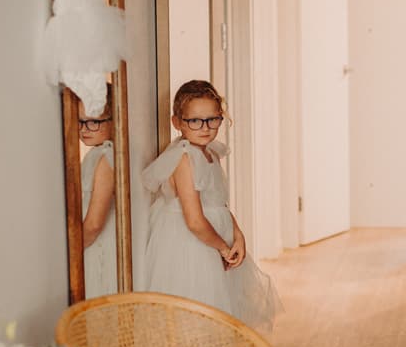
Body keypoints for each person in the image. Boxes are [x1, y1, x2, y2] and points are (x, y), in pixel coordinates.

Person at [142, 79, 281, 330]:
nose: (205, 128)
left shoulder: (211, 152)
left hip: (215, 240)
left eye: (212, 119)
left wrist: (237, 235)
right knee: (196, 321)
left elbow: (219, 203)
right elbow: (194, 221)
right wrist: (222, 248)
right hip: (192, 248)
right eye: (195, 121)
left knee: (221, 319)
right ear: (177, 123)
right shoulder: (184, 158)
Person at [79, 87, 117, 299]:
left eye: (94, 121)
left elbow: (94, 224)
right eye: (81, 121)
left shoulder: (106, 156)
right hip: (91, 242)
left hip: (97, 245)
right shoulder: (97, 154)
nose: (85, 128)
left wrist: (72, 254)